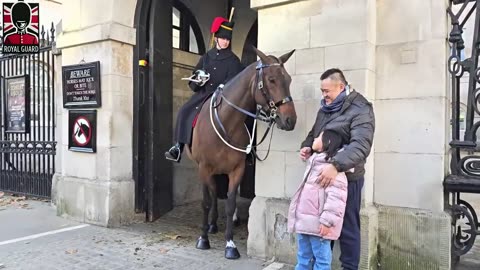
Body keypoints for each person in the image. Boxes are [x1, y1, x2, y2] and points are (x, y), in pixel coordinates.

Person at [300, 68, 375, 270]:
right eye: (322, 91)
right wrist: (306, 146)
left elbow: (361, 145)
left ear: (341, 87)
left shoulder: (361, 108)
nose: (324, 95)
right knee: (324, 227)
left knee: (348, 228)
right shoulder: (325, 107)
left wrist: (336, 166)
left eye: (327, 91)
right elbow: (314, 133)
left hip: (347, 179)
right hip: (322, 177)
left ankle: (349, 268)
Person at [165, 16, 243, 162]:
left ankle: (247, 150)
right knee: (184, 111)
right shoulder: (207, 57)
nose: (226, 42)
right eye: (223, 39)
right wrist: (199, 79)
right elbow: (195, 76)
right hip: (204, 94)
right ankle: (178, 146)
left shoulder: (233, 60)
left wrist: (223, 86)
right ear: (216, 38)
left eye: (228, 40)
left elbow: (234, 80)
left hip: (223, 96)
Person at [288, 130, 348, 270]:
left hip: (319, 227)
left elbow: (336, 199)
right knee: (303, 258)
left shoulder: (331, 170)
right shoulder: (314, 163)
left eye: (319, 137)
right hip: (304, 224)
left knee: (321, 262)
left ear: (326, 143)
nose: (315, 138)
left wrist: (327, 222)